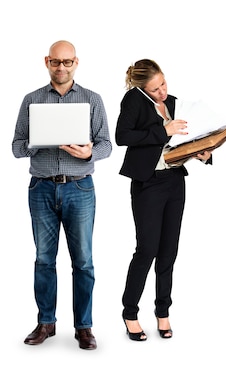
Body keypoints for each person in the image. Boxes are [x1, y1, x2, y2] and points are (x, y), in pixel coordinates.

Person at [12, 40, 112, 350]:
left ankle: (84, 326)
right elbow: (17, 147)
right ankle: (46, 322)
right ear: (47, 62)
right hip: (41, 188)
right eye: (56, 62)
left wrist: (87, 153)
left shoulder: (91, 100)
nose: (61, 67)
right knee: (44, 260)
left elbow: (106, 145)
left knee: (83, 261)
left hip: (79, 187)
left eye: (67, 62)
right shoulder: (32, 100)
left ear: (76, 63)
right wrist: (41, 140)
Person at [116, 59, 213, 341]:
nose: (162, 92)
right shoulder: (133, 100)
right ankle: (130, 312)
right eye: (155, 89)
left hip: (174, 182)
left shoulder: (173, 101)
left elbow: (186, 137)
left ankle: (162, 312)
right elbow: (123, 136)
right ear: (141, 87)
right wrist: (163, 131)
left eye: (164, 84)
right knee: (147, 250)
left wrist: (201, 152)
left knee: (169, 251)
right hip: (148, 184)